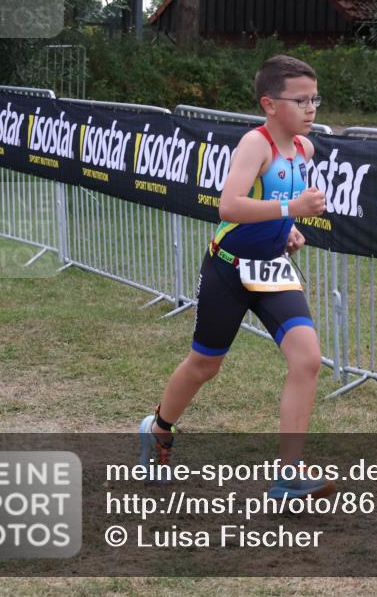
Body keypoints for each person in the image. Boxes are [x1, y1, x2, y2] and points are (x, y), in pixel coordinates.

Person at [139, 55, 333, 499]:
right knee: (205, 365)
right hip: (228, 268)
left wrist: (289, 231)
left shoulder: (304, 150)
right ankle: (159, 429)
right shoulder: (255, 144)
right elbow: (229, 206)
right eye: (300, 100)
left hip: (272, 269)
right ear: (269, 104)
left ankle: (288, 477)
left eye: (314, 99)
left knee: (307, 360)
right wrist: (291, 211)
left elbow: (278, 203)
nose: (311, 108)